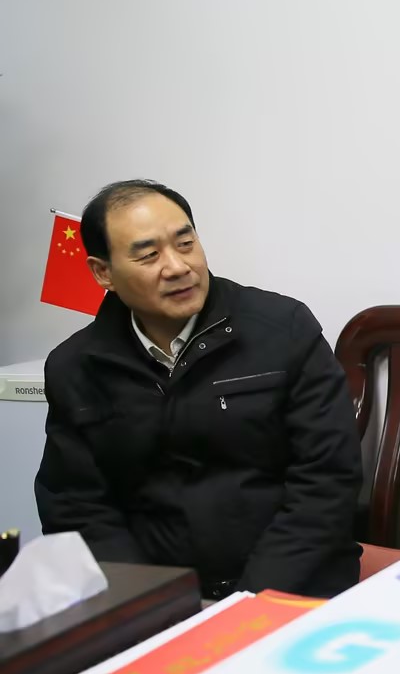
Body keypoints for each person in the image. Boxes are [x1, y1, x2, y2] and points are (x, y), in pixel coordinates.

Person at [35, 179, 362, 601]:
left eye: (185, 243)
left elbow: (326, 479)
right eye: (149, 255)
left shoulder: (284, 330)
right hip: (156, 598)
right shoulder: (77, 366)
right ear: (104, 273)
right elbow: (76, 506)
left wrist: (249, 602)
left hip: (289, 587)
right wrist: (150, 601)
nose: (177, 266)